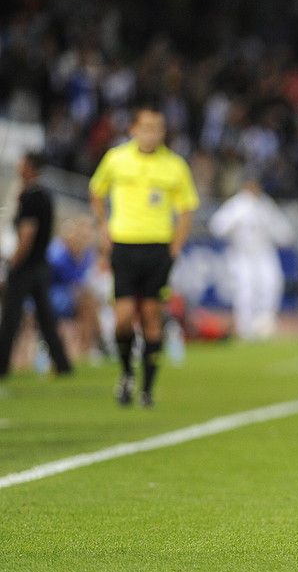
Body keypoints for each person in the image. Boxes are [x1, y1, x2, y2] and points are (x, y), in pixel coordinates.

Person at [90, 105, 199, 407]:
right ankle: (126, 373)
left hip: (157, 248)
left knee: (152, 316)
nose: (153, 133)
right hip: (124, 246)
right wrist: (103, 227)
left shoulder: (175, 165)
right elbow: (96, 190)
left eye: (158, 127)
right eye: (147, 127)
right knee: (123, 318)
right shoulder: (116, 159)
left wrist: (176, 244)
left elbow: (186, 208)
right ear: (133, 129)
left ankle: (147, 388)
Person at [0, 151, 73, 379]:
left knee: (10, 318)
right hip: (41, 265)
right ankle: (62, 364)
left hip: (26, 267)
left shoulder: (30, 196)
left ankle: (1, 365)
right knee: (46, 319)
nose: (18, 166)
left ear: (30, 167)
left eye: (22, 163)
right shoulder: (45, 194)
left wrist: (14, 261)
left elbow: (26, 234)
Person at [209, 177, 295, 340]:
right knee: (245, 289)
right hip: (241, 253)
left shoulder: (265, 204)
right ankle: (245, 328)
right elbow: (217, 226)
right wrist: (235, 221)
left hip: (264, 251)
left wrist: (284, 237)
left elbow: (282, 230)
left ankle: (265, 323)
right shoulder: (236, 205)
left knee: (271, 284)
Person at [47, 218, 103, 361]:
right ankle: (93, 345)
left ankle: (89, 346)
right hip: (52, 297)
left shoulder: (87, 255)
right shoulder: (56, 254)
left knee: (90, 302)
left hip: (74, 297)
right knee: (88, 302)